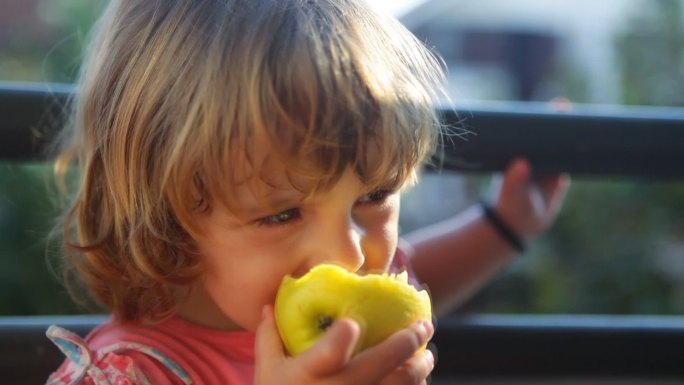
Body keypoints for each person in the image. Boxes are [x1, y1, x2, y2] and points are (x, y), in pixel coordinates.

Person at [45, 0, 568, 384]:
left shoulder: (340, 299)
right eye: (282, 214)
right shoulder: (127, 375)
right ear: (168, 216)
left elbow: (418, 274)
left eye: (376, 194)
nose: (350, 253)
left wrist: (504, 226)